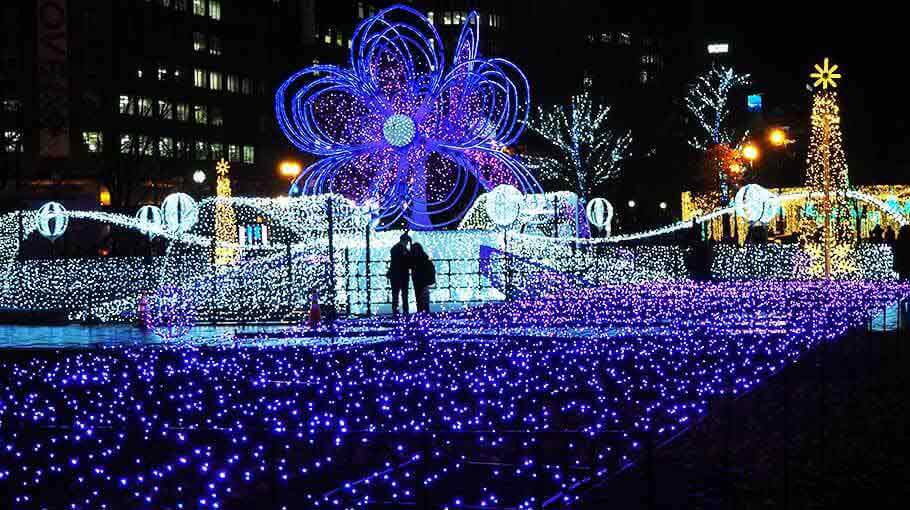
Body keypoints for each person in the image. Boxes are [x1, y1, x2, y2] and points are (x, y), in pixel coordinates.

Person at [387, 233, 412, 315]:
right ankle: (404, 311)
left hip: (395, 275)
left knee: (396, 294)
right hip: (402, 275)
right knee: (403, 294)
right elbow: (406, 261)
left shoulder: (395, 248)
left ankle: (396, 311)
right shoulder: (403, 250)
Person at [409, 242, 436, 313]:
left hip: (418, 281)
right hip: (424, 281)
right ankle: (425, 313)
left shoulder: (414, 259)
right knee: (424, 298)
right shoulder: (424, 257)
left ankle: (421, 312)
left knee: (419, 298)